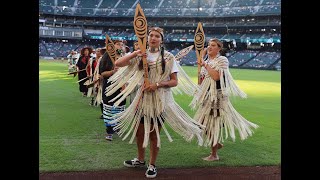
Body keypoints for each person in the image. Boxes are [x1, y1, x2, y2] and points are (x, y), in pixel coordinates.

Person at [106, 27, 204, 178]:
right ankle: (140, 159)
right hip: (142, 100)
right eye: (151, 35)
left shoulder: (169, 57)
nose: (153, 38)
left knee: (153, 133)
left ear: (161, 40)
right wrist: (136, 53)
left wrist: (157, 85)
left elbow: (174, 82)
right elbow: (118, 63)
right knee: (139, 132)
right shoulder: (141, 55)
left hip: (160, 100)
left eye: (157, 36)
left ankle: (152, 164)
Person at [190, 38, 259, 161]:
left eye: (213, 45)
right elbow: (202, 82)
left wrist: (204, 64)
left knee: (212, 125)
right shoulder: (206, 61)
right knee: (202, 125)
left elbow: (216, 77)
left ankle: (214, 154)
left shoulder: (222, 60)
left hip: (216, 97)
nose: (209, 47)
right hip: (206, 97)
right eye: (208, 45)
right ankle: (217, 144)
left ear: (219, 49)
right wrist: (201, 71)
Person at [99, 40, 127, 141]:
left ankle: (118, 127)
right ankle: (109, 131)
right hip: (109, 87)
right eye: (118, 44)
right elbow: (102, 73)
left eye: (122, 44)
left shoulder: (125, 57)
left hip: (121, 87)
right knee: (109, 109)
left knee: (120, 108)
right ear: (113, 46)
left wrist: (125, 85)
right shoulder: (106, 56)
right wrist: (112, 71)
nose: (120, 46)